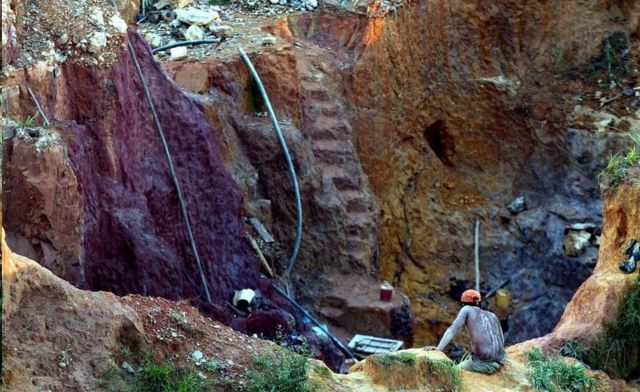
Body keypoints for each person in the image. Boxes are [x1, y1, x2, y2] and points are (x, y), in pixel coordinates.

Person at [424, 289, 506, 374]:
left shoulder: (466, 309)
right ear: (478, 302)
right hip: (501, 360)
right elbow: (501, 338)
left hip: (482, 363)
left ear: (463, 303)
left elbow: (452, 329)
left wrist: (439, 348)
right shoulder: (492, 315)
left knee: (452, 372)